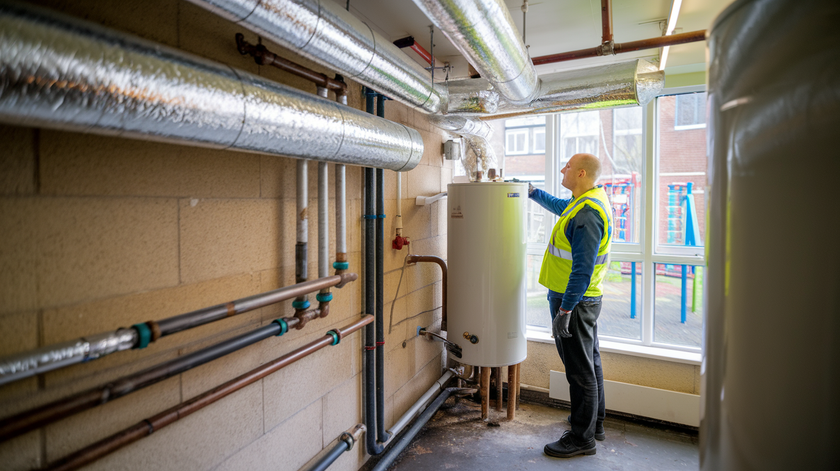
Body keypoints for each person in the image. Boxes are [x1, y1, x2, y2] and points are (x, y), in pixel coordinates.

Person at [528, 153, 612, 458]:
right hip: (580, 299)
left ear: (581, 173)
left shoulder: (588, 214)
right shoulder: (584, 201)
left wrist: (565, 311)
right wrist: (534, 193)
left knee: (579, 371)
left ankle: (581, 438)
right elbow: (560, 207)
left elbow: (582, 269)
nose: (562, 169)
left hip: (574, 300)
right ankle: (595, 424)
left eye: (567, 166)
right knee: (590, 363)